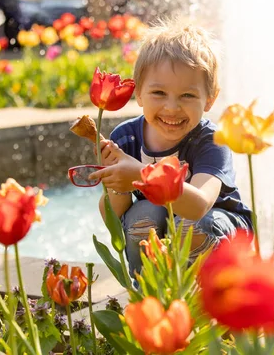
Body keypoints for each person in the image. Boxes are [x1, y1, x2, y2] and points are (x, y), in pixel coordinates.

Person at [89, 19, 252, 280]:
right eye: (159, 93)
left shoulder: (211, 141)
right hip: (163, 227)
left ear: (209, 99)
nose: (172, 108)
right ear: (139, 93)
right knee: (142, 215)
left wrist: (141, 175)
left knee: (191, 225)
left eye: (187, 96)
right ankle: (151, 289)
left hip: (216, 226)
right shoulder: (126, 137)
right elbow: (114, 215)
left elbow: (199, 206)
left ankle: (211, 295)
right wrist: (118, 184)